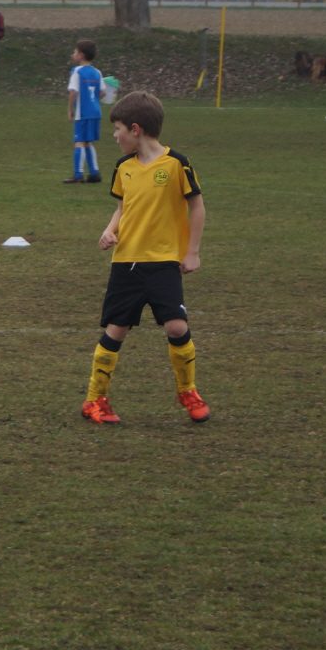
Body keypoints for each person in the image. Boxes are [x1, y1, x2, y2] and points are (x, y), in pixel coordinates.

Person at [81, 90, 208, 426]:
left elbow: (197, 207)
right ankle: (94, 400)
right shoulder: (123, 167)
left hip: (164, 261)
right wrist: (109, 230)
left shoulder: (176, 164)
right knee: (116, 329)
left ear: (135, 129)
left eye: (118, 129)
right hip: (126, 262)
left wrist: (192, 252)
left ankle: (188, 391)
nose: (115, 136)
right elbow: (122, 209)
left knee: (177, 325)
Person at [65, 39, 104, 184]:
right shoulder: (97, 72)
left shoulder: (77, 71)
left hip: (82, 112)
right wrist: (93, 100)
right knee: (88, 142)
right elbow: (103, 92)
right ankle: (94, 173)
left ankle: (78, 175)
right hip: (96, 112)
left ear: (81, 55)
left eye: (75, 52)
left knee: (79, 141)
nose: (73, 54)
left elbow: (74, 91)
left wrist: (70, 109)